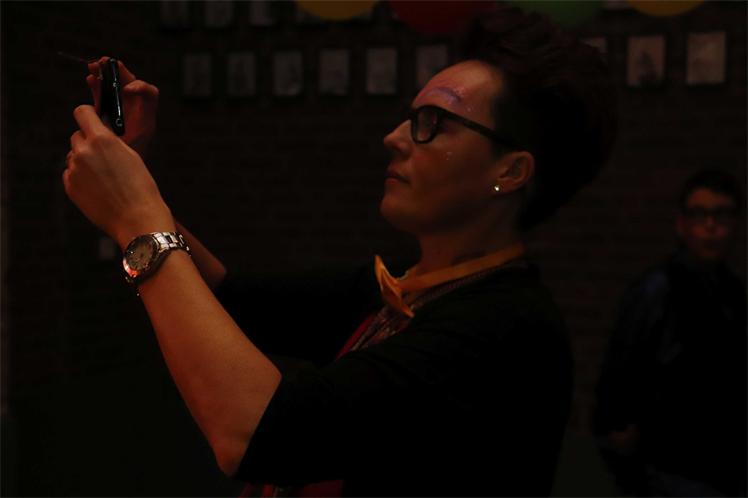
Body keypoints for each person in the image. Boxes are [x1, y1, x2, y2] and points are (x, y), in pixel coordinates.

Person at [63, 6, 616, 497]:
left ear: (510, 171)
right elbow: (225, 299)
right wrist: (136, 182)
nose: (395, 137)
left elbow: (257, 434)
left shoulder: (508, 330)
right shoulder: (402, 286)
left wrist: (136, 217)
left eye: (432, 123)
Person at [593, 169, 747, 497]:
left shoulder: (734, 294)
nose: (710, 226)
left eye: (721, 215)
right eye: (699, 215)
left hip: (719, 470)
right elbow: (618, 382)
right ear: (681, 223)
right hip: (666, 471)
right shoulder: (658, 291)